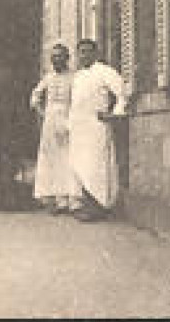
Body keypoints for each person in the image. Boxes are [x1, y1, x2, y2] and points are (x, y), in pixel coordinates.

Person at [68, 39, 128, 222]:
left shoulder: (105, 71)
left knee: (96, 166)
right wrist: (70, 125)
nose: (84, 55)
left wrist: (114, 113)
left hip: (96, 125)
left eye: (88, 51)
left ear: (96, 54)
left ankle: (99, 206)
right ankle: (87, 205)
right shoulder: (77, 76)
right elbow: (75, 104)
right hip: (79, 127)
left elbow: (122, 93)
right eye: (81, 52)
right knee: (80, 165)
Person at [29, 43, 78, 213]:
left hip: (67, 118)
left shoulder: (74, 77)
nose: (57, 60)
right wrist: (42, 112)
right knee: (51, 159)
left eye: (60, 56)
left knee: (67, 158)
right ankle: (54, 199)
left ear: (67, 58)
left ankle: (69, 200)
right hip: (50, 120)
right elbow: (35, 95)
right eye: (54, 57)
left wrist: (70, 119)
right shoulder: (48, 78)